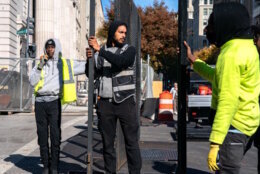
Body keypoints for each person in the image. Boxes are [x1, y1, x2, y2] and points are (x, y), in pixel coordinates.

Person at [184, 3, 260, 174]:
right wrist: (196, 63)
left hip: (234, 126)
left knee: (227, 170)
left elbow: (228, 100)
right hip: (248, 123)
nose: (208, 30)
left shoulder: (231, 55)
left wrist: (215, 143)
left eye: (212, 25)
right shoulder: (247, 48)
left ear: (227, 24)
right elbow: (221, 77)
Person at [86, 20, 142, 174]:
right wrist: (89, 59)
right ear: (113, 32)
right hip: (105, 104)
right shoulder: (101, 50)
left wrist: (99, 51)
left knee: (131, 143)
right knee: (107, 145)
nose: (124, 35)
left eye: (125, 32)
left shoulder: (129, 50)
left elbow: (122, 62)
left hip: (126, 103)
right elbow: (92, 74)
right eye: (120, 32)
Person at [29, 38, 86, 174]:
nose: (50, 50)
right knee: (42, 135)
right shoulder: (40, 63)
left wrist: (94, 56)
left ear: (57, 48)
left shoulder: (64, 64)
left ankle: (54, 166)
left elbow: (84, 67)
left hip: (54, 102)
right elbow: (32, 81)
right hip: (40, 102)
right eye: (48, 47)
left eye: (52, 47)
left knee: (55, 135)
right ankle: (46, 165)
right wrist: (39, 67)